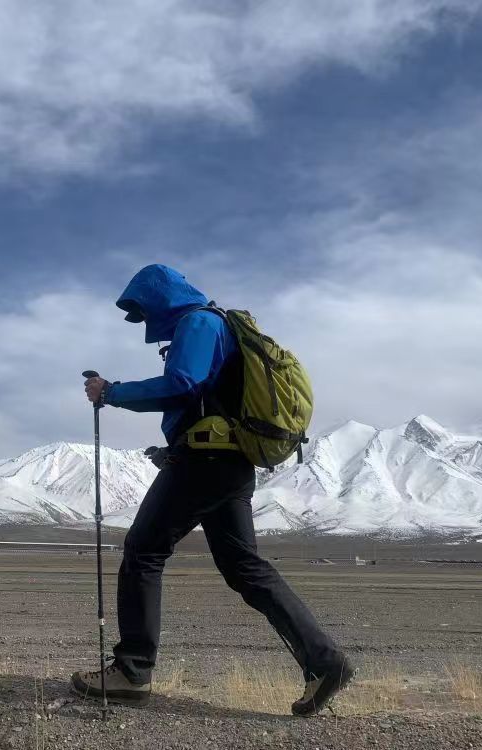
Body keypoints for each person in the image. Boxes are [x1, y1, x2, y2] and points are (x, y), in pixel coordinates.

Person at [71, 264, 355, 716]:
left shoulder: (198, 322)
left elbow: (183, 384)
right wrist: (173, 446)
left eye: (143, 311)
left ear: (160, 298)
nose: (144, 322)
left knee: (144, 550)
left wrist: (112, 392)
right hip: (227, 462)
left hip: (207, 460)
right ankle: (325, 662)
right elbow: (201, 398)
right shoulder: (215, 324)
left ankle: (131, 672)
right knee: (244, 567)